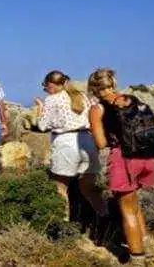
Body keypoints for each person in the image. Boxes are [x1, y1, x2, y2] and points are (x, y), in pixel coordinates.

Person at [88, 68, 154, 266]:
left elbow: (101, 143)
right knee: (135, 205)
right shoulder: (132, 99)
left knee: (127, 209)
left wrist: (94, 132)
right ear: (113, 83)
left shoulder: (97, 109)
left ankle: (136, 258)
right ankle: (147, 249)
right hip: (147, 157)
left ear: (94, 88)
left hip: (124, 159)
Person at [34, 71, 107, 222]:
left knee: (60, 187)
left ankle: (63, 225)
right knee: (89, 188)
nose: (45, 90)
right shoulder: (83, 97)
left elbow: (42, 126)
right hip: (87, 141)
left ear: (51, 85)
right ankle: (106, 218)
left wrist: (40, 108)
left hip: (66, 143)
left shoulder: (52, 99)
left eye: (45, 86)